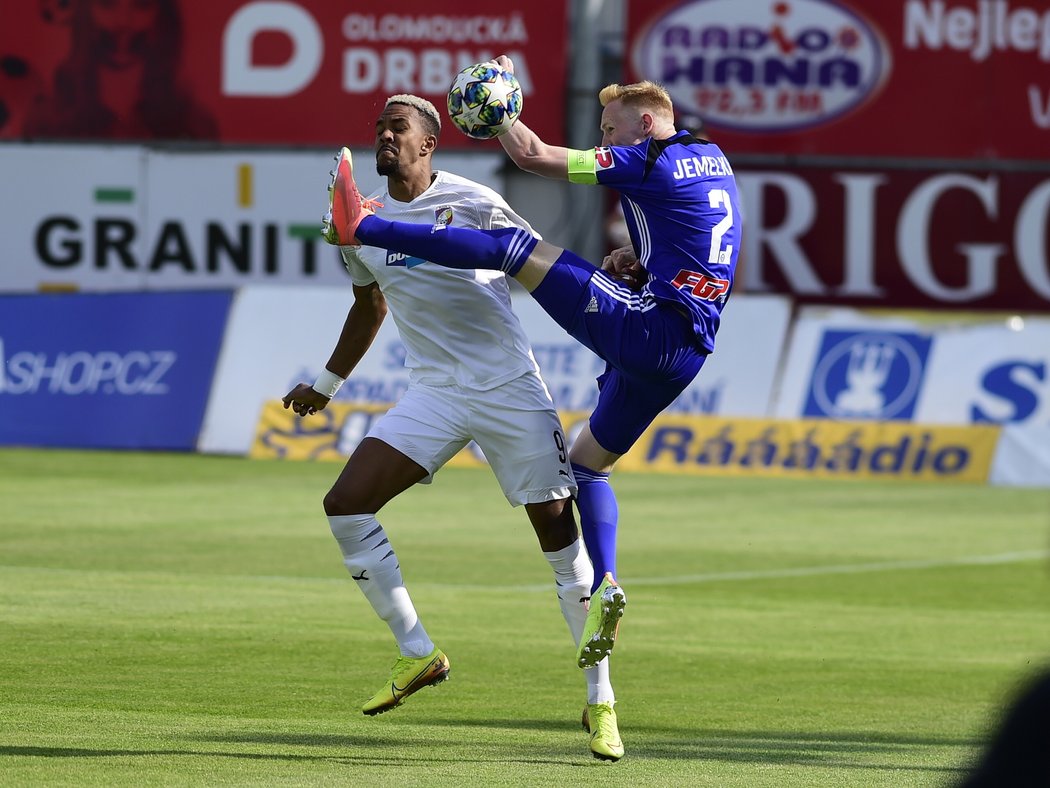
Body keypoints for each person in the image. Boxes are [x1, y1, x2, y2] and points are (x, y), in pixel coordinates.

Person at [320, 58, 743, 676]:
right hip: (684, 354)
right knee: (589, 467)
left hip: (647, 328)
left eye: (610, 130)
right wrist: (642, 259)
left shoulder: (647, 157)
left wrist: (500, 106)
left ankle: (368, 225)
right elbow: (701, 238)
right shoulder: (715, 162)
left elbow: (535, 155)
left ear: (647, 123)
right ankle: (606, 586)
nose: (603, 141)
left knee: (513, 249)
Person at [285, 94, 624, 761]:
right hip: (435, 392)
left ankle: (600, 701)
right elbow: (369, 305)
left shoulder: (472, 200)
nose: (385, 135)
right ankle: (419, 652)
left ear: (428, 144)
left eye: (398, 128)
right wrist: (326, 385)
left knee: (559, 539)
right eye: (379, 127)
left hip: (508, 389)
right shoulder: (362, 219)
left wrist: (611, 300)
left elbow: (537, 260)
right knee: (345, 505)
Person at [23, 0, 216, 140]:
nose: (123, 22)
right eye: (107, 4)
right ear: (84, 14)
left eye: (142, 5)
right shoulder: (47, 119)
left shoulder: (195, 123)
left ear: (163, 18)